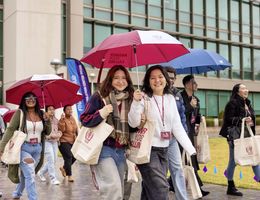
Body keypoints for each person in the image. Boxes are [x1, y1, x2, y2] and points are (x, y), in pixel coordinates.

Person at [128, 65, 196, 200]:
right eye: (152, 78)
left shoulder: (171, 98)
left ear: (166, 79)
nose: (157, 80)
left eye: (160, 77)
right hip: (148, 151)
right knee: (161, 188)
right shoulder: (144, 98)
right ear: (148, 81)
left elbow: (176, 126)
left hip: (164, 149)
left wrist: (190, 149)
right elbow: (133, 123)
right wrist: (136, 102)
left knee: (149, 189)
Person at [80, 65, 135, 200]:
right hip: (104, 149)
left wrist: (140, 120)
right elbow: (84, 119)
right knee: (113, 189)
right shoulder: (99, 97)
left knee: (120, 191)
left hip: (122, 151)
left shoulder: (131, 99)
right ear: (110, 80)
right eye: (116, 78)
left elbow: (131, 128)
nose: (120, 81)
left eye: (123, 78)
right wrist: (101, 113)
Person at [0, 92, 51, 200]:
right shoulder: (20, 113)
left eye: (33, 98)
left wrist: (47, 120)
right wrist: (2, 146)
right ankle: (33, 198)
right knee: (30, 174)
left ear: (36, 100)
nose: (31, 100)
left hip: (38, 149)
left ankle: (17, 193)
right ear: (24, 100)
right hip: (24, 148)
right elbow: (10, 130)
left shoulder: (42, 114)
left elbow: (47, 132)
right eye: (27, 98)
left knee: (26, 174)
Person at [219, 83, 260, 196]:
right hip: (235, 136)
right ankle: (230, 186)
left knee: (254, 158)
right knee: (233, 160)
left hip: (247, 135)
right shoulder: (232, 103)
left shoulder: (248, 103)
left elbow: (251, 120)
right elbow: (228, 119)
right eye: (243, 88)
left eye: (246, 88)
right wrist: (242, 119)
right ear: (237, 91)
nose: (246, 90)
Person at [180, 74, 210, 197]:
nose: (196, 85)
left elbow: (196, 115)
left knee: (190, 158)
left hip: (191, 132)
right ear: (187, 84)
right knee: (186, 159)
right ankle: (198, 186)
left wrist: (199, 120)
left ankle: (172, 183)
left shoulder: (196, 99)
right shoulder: (180, 97)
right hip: (181, 132)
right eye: (194, 83)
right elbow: (180, 113)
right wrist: (189, 106)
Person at [164, 67, 189, 200]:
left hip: (173, 139)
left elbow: (182, 116)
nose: (170, 80)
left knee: (177, 169)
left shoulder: (177, 94)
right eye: (167, 77)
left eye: (172, 77)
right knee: (159, 173)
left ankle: (182, 198)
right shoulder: (153, 93)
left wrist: (183, 135)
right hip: (157, 141)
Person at [37, 105, 62, 185]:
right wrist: (49, 136)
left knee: (54, 160)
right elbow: (42, 132)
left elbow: (59, 130)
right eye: (50, 109)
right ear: (46, 111)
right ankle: (53, 178)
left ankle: (41, 172)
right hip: (47, 142)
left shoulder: (56, 120)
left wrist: (59, 134)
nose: (52, 111)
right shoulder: (44, 120)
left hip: (54, 142)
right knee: (51, 159)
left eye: (53, 109)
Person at [58, 104, 78, 182]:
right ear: (64, 111)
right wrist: (62, 121)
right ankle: (69, 175)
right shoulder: (62, 120)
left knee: (75, 156)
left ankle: (64, 168)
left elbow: (75, 129)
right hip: (63, 141)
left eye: (71, 109)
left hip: (72, 141)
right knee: (69, 157)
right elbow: (61, 130)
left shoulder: (72, 118)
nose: (70, 110)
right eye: (68, 109)